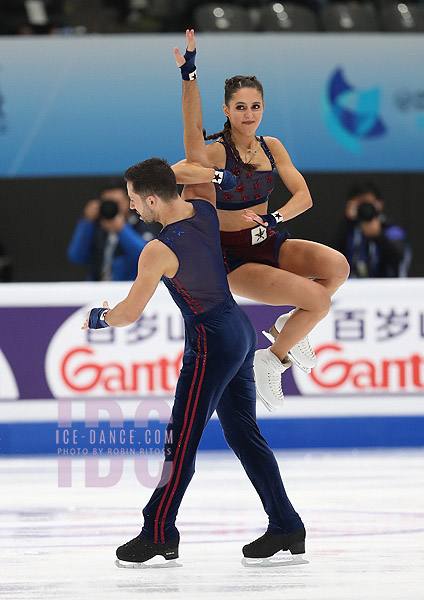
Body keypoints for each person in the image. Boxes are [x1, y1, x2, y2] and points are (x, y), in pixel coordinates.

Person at [83, 30, 305, 566]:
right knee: (242, 431)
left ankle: (159, 531)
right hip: (238, 331)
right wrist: (189, 77)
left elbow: (129, 313)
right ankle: (286, 525)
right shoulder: (202, 211)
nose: (133, 208)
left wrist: (97, 317)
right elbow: (192, 138)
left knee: (181, 438)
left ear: (153, 196)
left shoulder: (156, 250)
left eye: (136, 200)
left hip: (209, 341)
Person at [173, 73, 350, 411]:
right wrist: (215, 175)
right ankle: (271, 358)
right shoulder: (216, 151)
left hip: (266, 238)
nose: (249, 114)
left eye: (255, 106)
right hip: (230, 255)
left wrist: (274, 218)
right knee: (317, 301)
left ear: (263, 108)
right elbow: (175, 173)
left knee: (337, 267)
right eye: (240, 107)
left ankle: (289, 326)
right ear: (226, 110)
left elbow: (304, 196)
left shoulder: (272, 146)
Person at [67, 182, 158, 281]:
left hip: (129, 288)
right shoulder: (94, 226)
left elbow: (148, 257)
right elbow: (76, 256)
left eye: (117, 203)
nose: (113, 207)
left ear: (129, 202)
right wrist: (87, 222)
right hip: (96, 290)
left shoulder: (141, 224)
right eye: (108, 202)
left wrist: (122, 230)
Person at [334, 181, 412, 278]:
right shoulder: (348, 231)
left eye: (368, 204)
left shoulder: (391, 230)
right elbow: (332, 258)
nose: (364, 208)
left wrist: (378, 236)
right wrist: (346, 222)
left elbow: (399, 259)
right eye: (360, 204)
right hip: (351, 287)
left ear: (379, 204)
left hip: (385, 288)